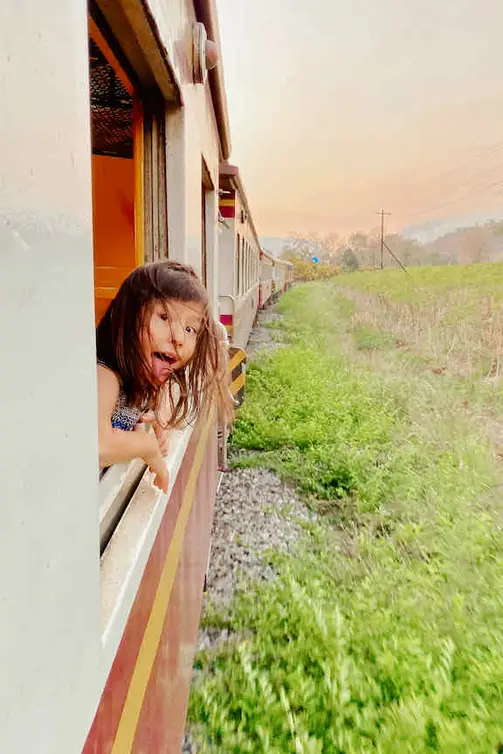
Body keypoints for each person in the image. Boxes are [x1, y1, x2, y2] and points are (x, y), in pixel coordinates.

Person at [96, 260, 234, 493]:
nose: (178, 337)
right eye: (164, 317)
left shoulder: (143, 376)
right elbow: (98, 446)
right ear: (129, 316)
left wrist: (160, 417)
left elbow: (169, 387)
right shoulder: (104, 375)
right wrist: (147, 446)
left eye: (190, 329)